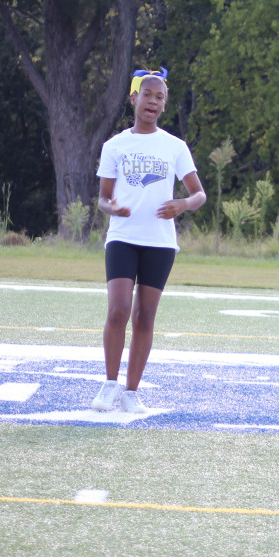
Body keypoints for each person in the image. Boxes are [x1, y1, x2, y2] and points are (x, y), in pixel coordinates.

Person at [92, 68, 206, 413]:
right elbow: (102, 198)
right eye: (147, 94)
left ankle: (131, 392)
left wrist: (183, 204)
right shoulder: (115, 145)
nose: (153, 101)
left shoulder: (174, 146)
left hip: (160, 242)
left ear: (164, 104)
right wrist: (112, 207)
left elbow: (199, 194)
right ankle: (110, 384)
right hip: (123, 238)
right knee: (119, 310)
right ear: (134, 99)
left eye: (160, 97)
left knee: (144, 317)